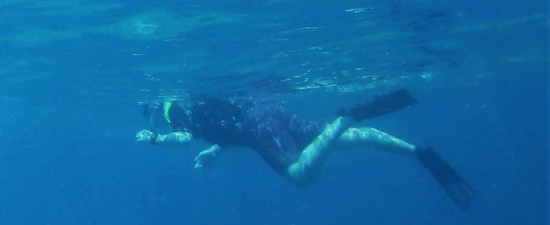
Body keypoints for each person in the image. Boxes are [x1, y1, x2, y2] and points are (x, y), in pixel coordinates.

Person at [137, 88, 473, 210]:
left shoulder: (176, 111)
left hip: (258, 125)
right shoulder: (201, 100)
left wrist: (153, 139)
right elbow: (225, 125)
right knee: (339, 142)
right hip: (267, 111)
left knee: (300, 175)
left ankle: (344, 120)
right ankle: (419, 152)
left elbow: (183, 137)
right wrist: (214, 151)